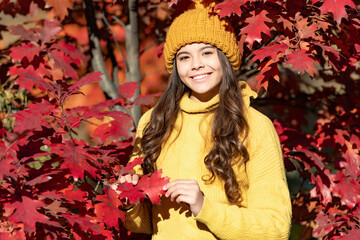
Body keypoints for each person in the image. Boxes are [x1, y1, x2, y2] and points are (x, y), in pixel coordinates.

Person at [119, 0, 292, 239]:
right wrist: (130, 200)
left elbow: (276, 228)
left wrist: (204, 208)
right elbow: (145, 225)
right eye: (184, 57)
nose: (196, 64)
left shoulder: (254, 125)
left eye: (207, 52)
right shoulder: (154, 122)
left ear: (226, 59)